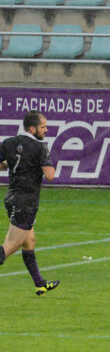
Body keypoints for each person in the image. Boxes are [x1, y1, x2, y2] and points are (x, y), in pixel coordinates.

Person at [0, 110, 60, 295]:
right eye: (43, 127)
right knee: (9, 247)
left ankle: (40, 283)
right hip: (27, 202)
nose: (46, 130)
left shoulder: (8, 143)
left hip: (11, 198)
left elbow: (2, 165)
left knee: (29, 240)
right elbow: (50, 175)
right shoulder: (39, 147)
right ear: (32, 128)